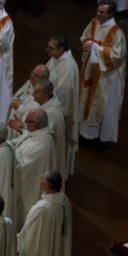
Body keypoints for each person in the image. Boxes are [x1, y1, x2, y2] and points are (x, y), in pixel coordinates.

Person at [79, 0, 126, 144]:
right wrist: (87, 44)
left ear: (111, 14)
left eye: (102, 12)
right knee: (86, 98)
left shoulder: (117, 33)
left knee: (102, 105)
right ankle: (84, 133)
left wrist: (94, 47)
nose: (98, 14)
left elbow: (117, 55)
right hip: (90, 69)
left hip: (107, 75)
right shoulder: (94, 22)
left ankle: (100, 138)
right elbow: (85, 37)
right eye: (98, 11)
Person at [10, 107, 59, 231]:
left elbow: (23, 167)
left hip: (30, 187)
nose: (25, 122)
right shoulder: (41, 133)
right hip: (30, 179)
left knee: (24, 213)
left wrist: (6, 154)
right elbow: (26, 138)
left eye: (27, 120)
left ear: (36, 125)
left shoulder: (41, 145)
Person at [46, 35, 79, 170]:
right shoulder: (55, 59)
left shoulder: (68, 67)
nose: (47, 50)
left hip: (58, 112)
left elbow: (63, 95)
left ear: (61, 49)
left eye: (51, 48)